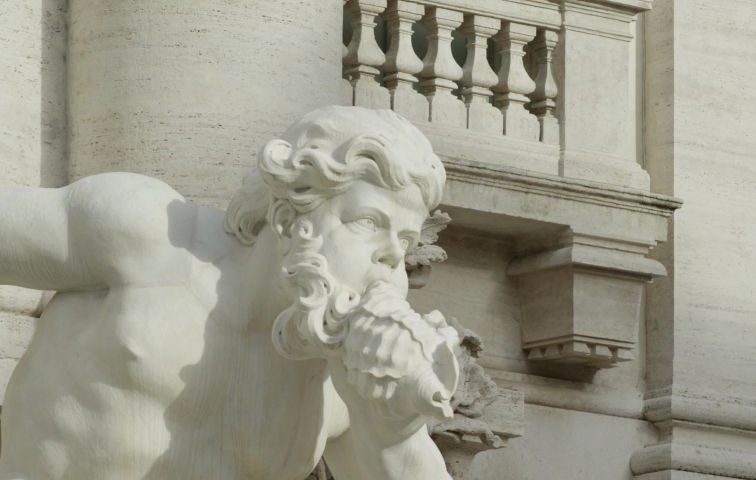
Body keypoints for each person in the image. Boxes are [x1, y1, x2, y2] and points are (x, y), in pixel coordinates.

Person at [0, 106, 458, 480]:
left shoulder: (337, 373)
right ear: (286, 215)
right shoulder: (147, 237)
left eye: (405, 241)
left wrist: (392, 423)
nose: (390, 259)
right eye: (369, 222)